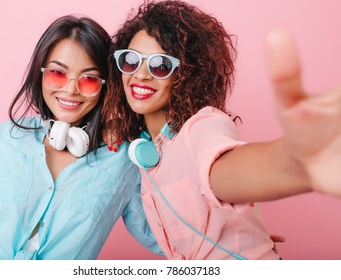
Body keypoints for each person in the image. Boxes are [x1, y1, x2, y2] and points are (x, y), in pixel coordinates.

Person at [103, 0, 341, 260]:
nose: (140, 75)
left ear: (188, 75)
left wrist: (296, 165)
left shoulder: (201, 127)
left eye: (160, 65)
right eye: (131, 61)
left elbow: (225, 169)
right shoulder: (146, 146)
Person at [0, 15, 162, 260]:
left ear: (107, 85)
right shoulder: (0, 140)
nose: (71, 89)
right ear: (39, 73)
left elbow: (165, 240)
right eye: (57, 73)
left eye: (90, 79)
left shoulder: (124, 162)